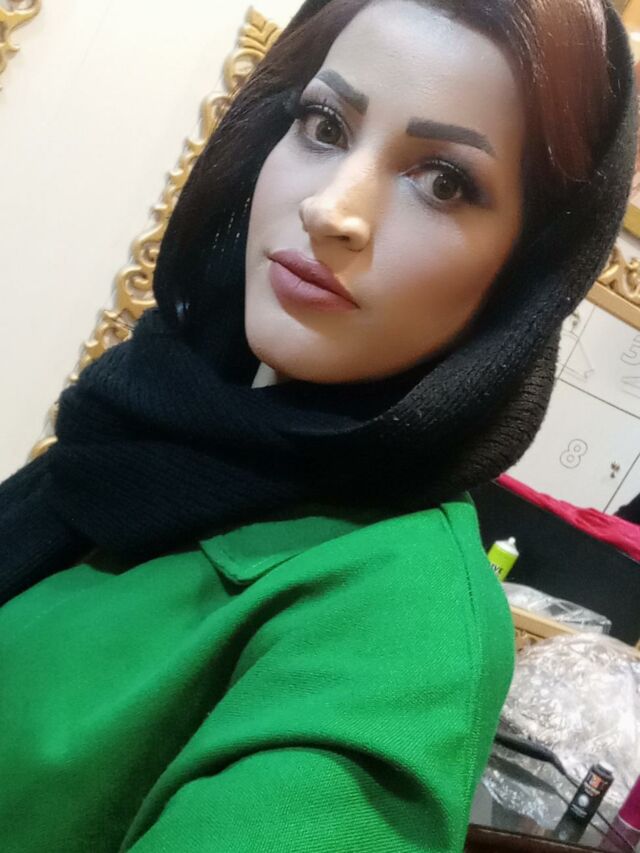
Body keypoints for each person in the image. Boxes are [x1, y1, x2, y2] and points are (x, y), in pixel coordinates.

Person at [0, 0, 636, 850]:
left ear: (525, 272)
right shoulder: (140, 424)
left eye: (443, 181)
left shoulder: (404, 628)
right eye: (325, 125)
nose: (332, 208)